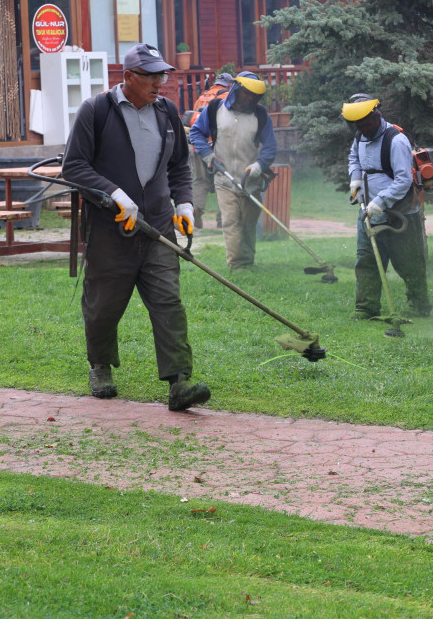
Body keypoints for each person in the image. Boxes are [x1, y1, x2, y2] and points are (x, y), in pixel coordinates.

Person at [62, 42, 210, 411]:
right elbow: (74, 166)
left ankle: (179, 382)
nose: (160, 82)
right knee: (104, 305)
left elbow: (178, 166)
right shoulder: (96, 111)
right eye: (151, 76)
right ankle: (100, 366)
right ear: (128, 77)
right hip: (111, 229)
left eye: (162, 74)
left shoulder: (167, 112)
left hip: (158, 225)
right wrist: (114, 193)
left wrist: (186, 203)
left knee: (168, 302)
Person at [343, 93, 431, 319]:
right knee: (367, 259)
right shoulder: (360, 137)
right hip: (368, 210)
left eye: (367, 123)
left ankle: (419, 305)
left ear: (377, 115)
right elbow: (354, 159)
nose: (364, 128)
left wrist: (380, 202)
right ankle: (366, 307)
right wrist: (355, 179)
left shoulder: (396, 141)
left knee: (408, 263)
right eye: (359, 125)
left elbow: (404, 180)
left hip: (399, 211)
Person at [189, 71, 277, 269]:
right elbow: (196, 133)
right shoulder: (215, 109)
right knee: (231, 223)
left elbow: (270, 146)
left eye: (254, 97)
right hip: (224, 179)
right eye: (247, 94)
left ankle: (247, 261)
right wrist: (208, 156)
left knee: (247, 224)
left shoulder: (260, 115)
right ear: (236, 90)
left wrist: (259, 166)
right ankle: (237, 265)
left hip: (251, 180)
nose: (250, 100)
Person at [186, 72, 234, 229]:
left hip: (198, 146)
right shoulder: (227, 96)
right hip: (217, 146)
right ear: (229, 84)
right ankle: (222, 219)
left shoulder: (203, 96)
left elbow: (196, 123)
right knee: (224, 181)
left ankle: (196, 210)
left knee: (200, 180)